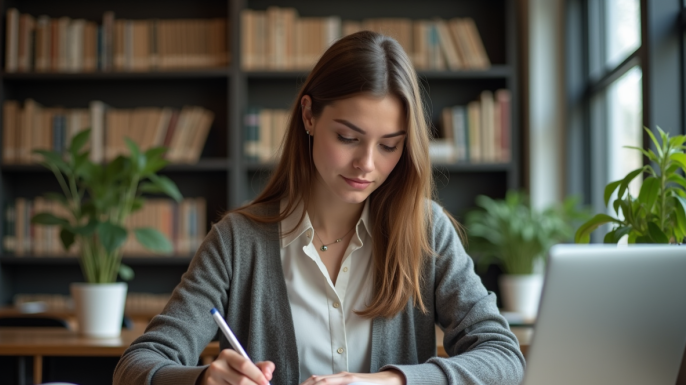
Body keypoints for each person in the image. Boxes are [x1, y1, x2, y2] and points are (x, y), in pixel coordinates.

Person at [113, 31, 525, 385]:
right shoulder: (237, 242)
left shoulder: (425, 230)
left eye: (389, 145)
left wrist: (394, 379)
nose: (367, 164)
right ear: (309, 115)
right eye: (348, 137)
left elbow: (503, 357)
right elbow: (136, 365)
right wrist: (203, 379)